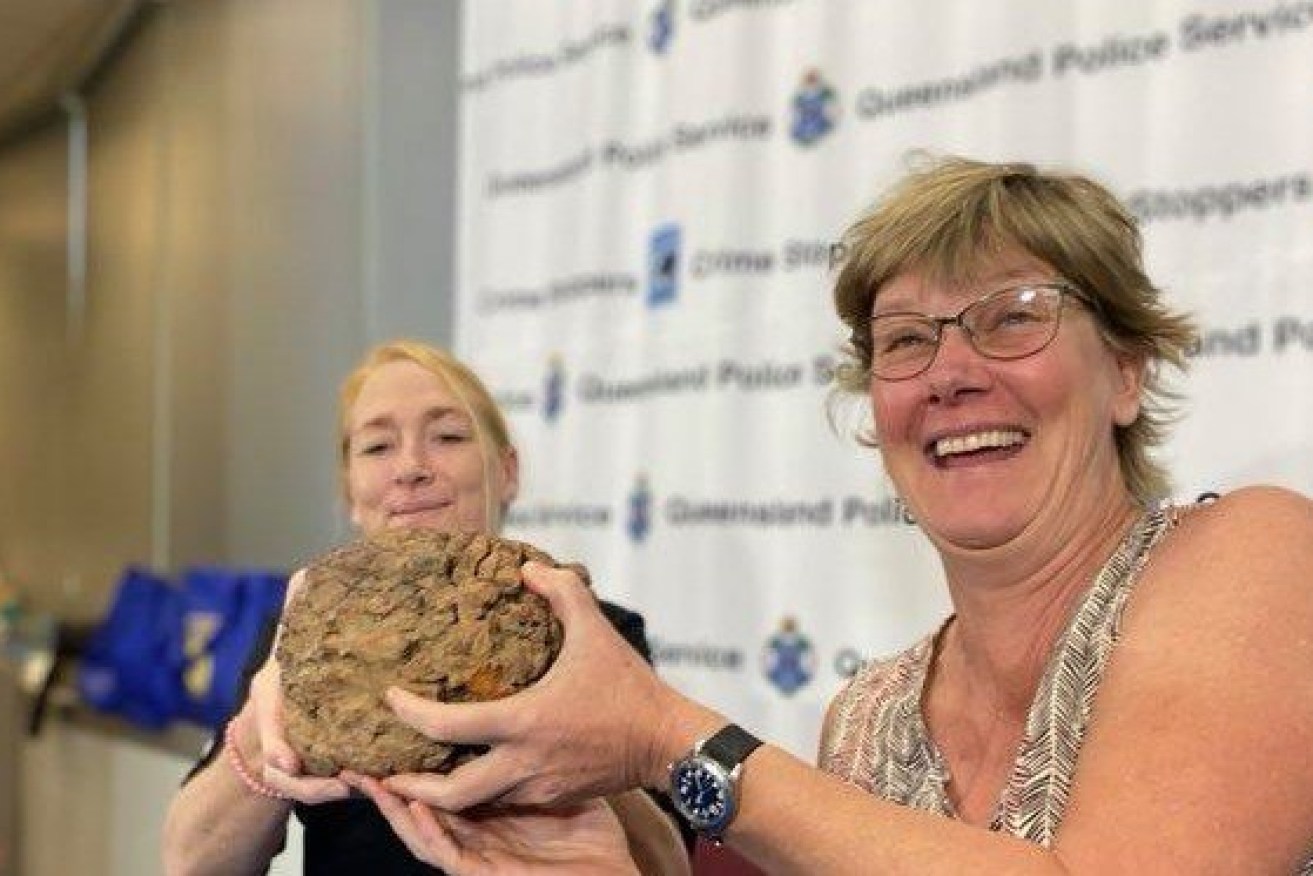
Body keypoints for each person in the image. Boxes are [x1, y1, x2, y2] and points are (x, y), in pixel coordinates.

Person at [342, 157, 1313, 873]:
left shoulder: (1254, 554)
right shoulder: (865, 723)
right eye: (904, 341)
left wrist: (670, 738)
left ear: (1127, 371)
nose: (951, 374)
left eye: (1011, 315)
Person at [161, 341, 690, 876]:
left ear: (506, 472)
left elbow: (669, 867)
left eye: (448, 436)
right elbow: (190, 864)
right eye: (377, 447)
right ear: (349, 490)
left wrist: (582, 734)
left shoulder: (591, 631)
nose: (410, 468)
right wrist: (267, 731)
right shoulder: (300, 634)